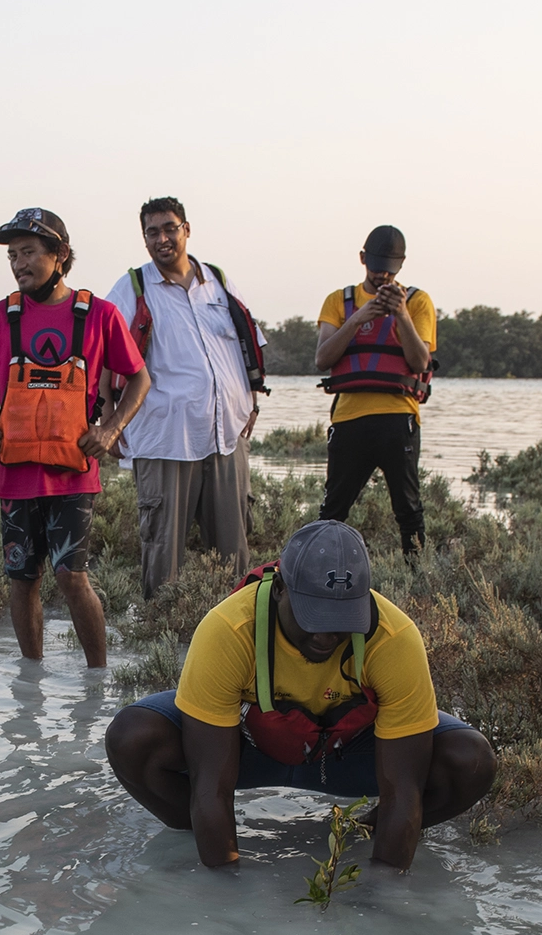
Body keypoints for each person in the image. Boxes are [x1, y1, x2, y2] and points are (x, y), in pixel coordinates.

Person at [105, 520, 496, 869]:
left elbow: (403, 793)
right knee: (134, 737)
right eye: (313, 618)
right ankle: (197, 830)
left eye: (343, 622)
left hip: (349, 759)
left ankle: (359, 831)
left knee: (470, 760)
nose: (326, 637)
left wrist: (381, 910)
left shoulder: (395, 638)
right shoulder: (228, 628)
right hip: (248, 750)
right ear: (279, 590)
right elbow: (211, 786)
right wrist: (226, 903)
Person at [0, 208, 151, 666]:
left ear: (60, 255)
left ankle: (97, 679)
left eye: (28, 253)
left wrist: (111, 431)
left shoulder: (100, 314)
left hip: (73, 478)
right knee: (23, 579)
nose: (18, 264)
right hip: (15, 478)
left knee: (72, 577)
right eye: (12, 256)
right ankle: (30, 685)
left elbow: (139, 379)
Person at [103, 197, 271, 595]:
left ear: (187, 229)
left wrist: (252, 400)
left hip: (226, 436)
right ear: (144, 239)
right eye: (152, 232)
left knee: (235, 556)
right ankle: (160, 640)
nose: (163, 239)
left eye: (170, 228)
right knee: (164, 556)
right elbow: (100, 355)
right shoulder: (132, 287)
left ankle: (237, 639)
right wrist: (108, 420)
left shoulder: (217, 280)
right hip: (165, 439)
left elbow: (248, 343)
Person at [313, 226, 438, 557]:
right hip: (350, 420)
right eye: (376, 266)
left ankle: (418, 578)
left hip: (399, 421)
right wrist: (357, 320)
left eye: (390, 268)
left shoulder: (418, 302)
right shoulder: (339, 301)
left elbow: (418, 360)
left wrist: (401, 315)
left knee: (409, 510)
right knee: (332, 512)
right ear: (362, 258)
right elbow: (322, 358)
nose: (382, 275)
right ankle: (318, 576)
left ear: (401, 265)